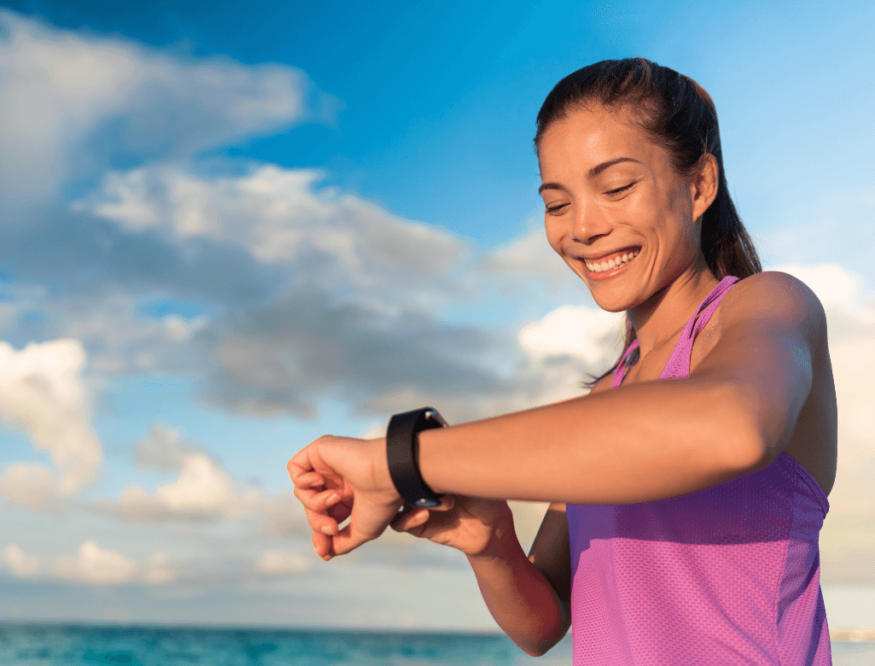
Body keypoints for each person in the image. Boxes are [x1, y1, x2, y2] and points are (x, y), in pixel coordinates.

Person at [287, 58, 836, 665]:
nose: (582, 227)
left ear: (700, 185)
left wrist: (402, 461)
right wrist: (492, 543)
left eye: (617, 188)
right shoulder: (606, 401)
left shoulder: (768, 304)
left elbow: (733, 427)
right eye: (556, 203)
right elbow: (543, 623)